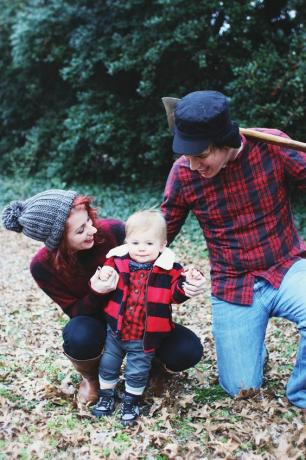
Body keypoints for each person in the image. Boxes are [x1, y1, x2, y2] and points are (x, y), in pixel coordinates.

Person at [161, 90, 306, 411]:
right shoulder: (184, 173)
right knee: (240, 388)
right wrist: (120, 250)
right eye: (187, 155)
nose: (194, 164)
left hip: (286, 266)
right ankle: (252, 347)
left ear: (225, 142)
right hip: (233, 283)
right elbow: (162, 229)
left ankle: (302, 394)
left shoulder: (273, 147)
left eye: (201, 156)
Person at [1, 189, 204, 405]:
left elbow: (159, 266)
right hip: (98, 323)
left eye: (89, 220)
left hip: (142, 320)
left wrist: (185, 283)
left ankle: (151, 368)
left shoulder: (112, 231)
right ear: (59, 239)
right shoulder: (43, 267)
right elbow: (76, 313)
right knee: (78, 334)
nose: (92, 229)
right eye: (81, 230)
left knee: (187, 349)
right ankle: (92, 379)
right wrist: (97, 292)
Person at [89, 209, 205, 425]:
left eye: (149, 244)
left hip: (145, 336)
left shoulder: (169, 269)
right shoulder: (116, 261)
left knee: (137, 370)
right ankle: (106, 396)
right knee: (108, 363)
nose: (141, 248)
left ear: (162, 245)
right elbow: (105, 276)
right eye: (135, 243)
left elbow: (176, 293)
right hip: (116, 330)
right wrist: (104, 276)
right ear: (127, 242)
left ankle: (131, 400)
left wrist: (188, 283)